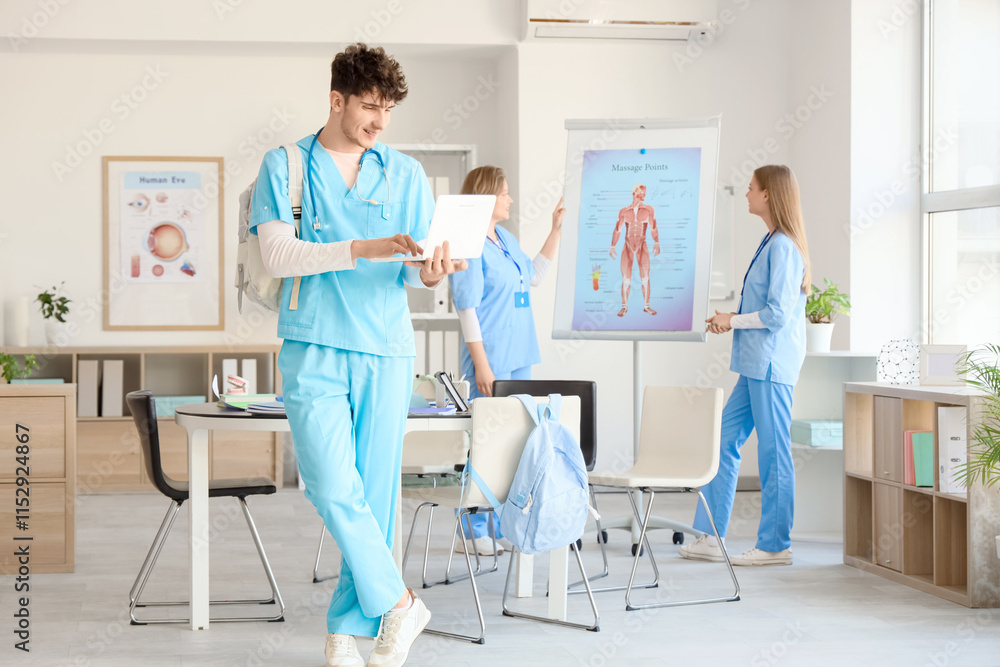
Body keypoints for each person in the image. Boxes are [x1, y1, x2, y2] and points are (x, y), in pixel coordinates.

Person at [251, 43, 466, 667]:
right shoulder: (286, 165)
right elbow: (278, 255)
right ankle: (399, 602)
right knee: (328, 482)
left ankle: (348, 632)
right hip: (313, 343)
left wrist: (432, 274)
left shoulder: (404, 173)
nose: (379, 121)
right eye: (369, 107)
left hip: (385, 347)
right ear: (336, 99)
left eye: (389, 109)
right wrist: (362, 247)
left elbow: (413, 275)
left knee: (373, 497)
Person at [678, 164, 810, 567]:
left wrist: (731, 320)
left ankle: (775, 545)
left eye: (752, 189)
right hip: (754, 366)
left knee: (773, 454)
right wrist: (730, 316)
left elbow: (776, 315)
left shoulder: (784, 246)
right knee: (723, 440)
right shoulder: (770, 242)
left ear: (768, 194)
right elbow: (762, 306)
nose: (748, 194)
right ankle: (711, 535)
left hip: (770, 367)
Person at [447, 166, 564, 555]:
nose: (510, 199)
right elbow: (467, 307)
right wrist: (481, 364)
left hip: (520, 353)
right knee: (483, 444)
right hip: (491, 357)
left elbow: (533, 277)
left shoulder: (506, 239)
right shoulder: (468, 241)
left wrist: (555, 231)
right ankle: (472, 528)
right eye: (505, 193)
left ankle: (497, 523)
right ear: (485, 197)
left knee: (514, 443)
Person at [610, 183, 660, 317]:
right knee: (626, 279)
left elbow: (653, 228)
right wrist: (613, 245)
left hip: (642, 245)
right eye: (641, 191)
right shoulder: (624, 211)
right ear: (634, 192)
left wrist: (657, 242)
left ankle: (647, 306)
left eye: (645, 192)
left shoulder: (649, 210)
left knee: (645, 277)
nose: (644, 194)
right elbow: (618, 229)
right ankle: (624, 307)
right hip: (627, 245)